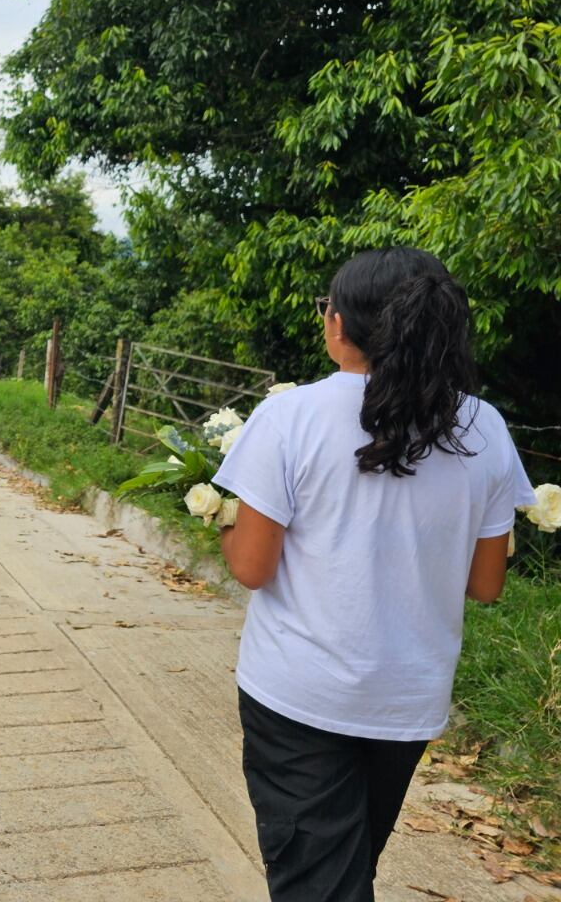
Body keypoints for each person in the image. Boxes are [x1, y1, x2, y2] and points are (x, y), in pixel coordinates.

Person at [215, 248, 525, 902]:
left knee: (320, 884)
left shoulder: (290, 416)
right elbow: (487, 584)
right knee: (343, 870)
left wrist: (223, 522)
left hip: (299, 698)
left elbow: (250, 565)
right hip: (407, 703)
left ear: (337, 325)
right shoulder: (485, 429)